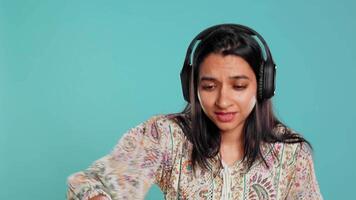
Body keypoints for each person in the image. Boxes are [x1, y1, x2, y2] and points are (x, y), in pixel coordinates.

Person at [66, 24, 323, 200]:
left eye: (239, 86)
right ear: (191, 88)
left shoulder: (292, 154)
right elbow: (89, 184)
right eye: (209, 86)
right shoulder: (165, 136)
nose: (223, 101)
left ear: (263, 86)